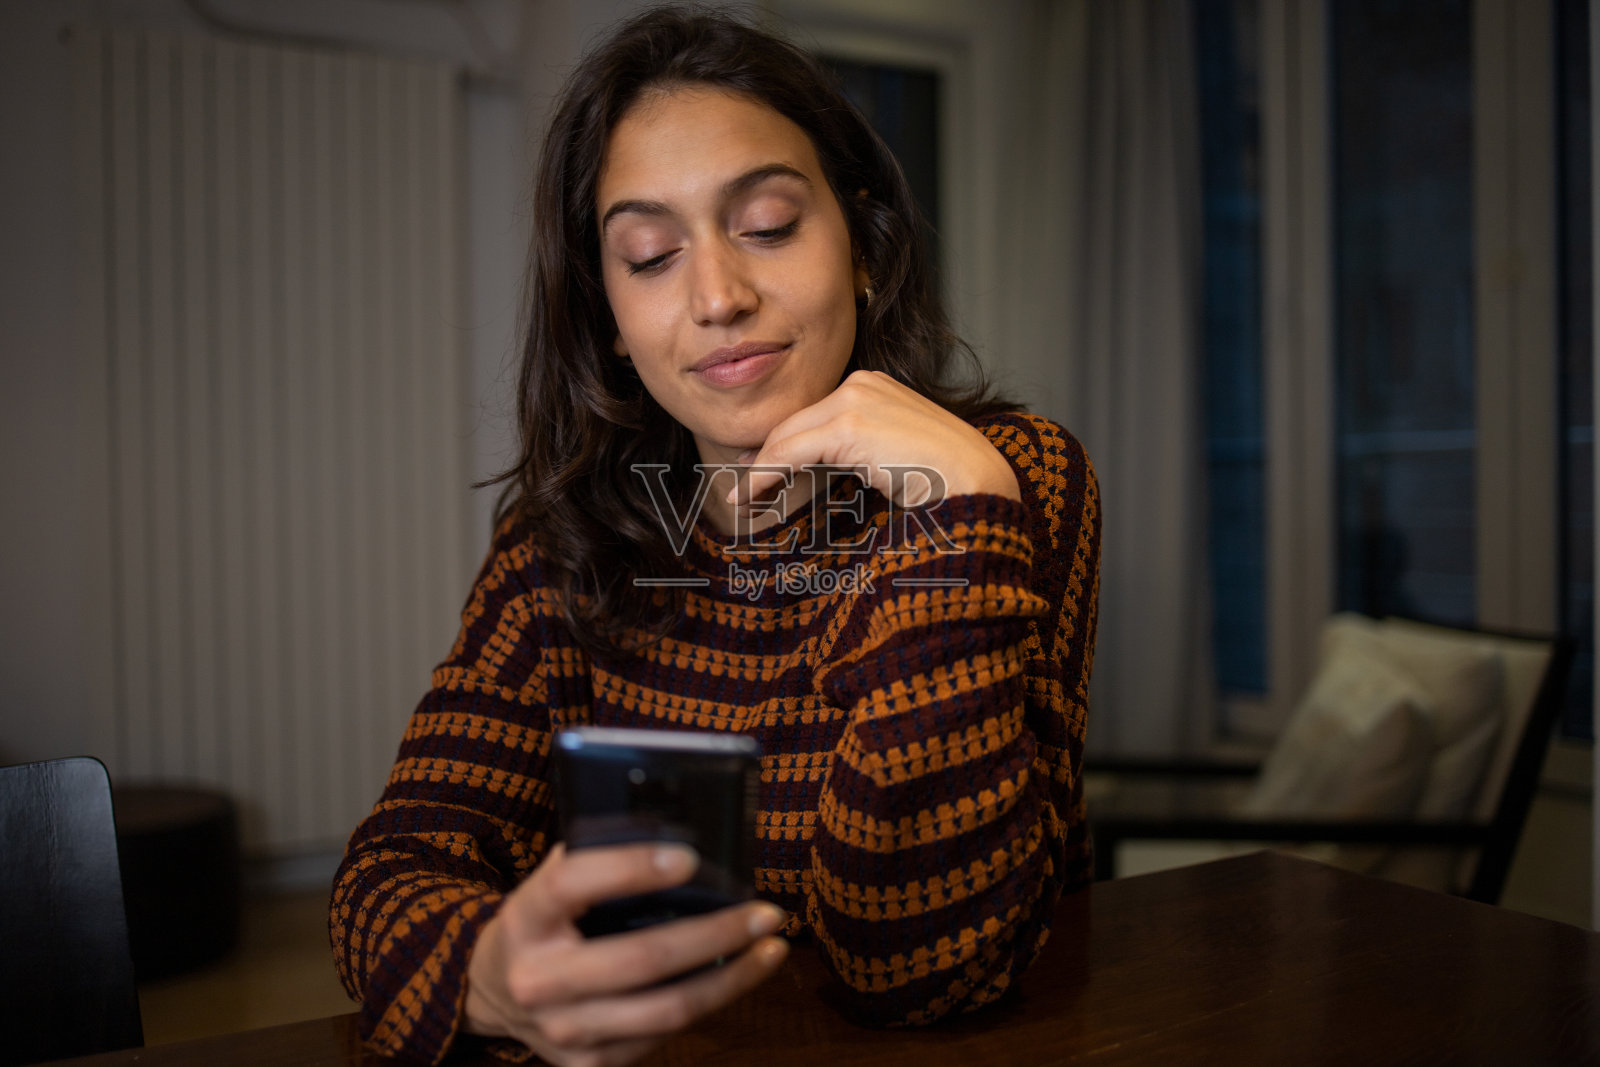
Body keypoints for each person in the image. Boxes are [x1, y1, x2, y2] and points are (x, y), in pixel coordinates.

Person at [329, 7, 1100, 1066]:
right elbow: (393, 867)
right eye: (648, 255)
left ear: (864, 246)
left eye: (769, 224)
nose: (717, 297)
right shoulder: (556, 545)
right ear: (609, 314)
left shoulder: (1005, 480)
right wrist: (486, 973)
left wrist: (955, 509)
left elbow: (926, 963)